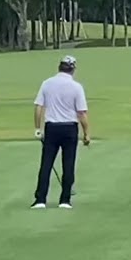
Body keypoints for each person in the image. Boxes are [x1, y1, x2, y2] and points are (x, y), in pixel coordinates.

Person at [31, 54, 90, 209]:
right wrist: (86, 133)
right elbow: (82, 113)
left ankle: (40, 200)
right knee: (68, 164)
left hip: (52, 127)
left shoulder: (47, 83)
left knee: (46, 164)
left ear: (59, 67)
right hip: (70, 128)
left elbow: (38, 107)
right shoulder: (77, 87)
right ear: (73, 69)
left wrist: (38, 128)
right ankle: (65, 200)